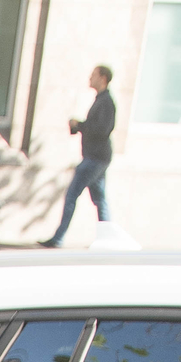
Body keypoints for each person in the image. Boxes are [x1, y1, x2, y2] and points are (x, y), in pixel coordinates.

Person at [42, 65, 116, 248]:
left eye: (94, 75)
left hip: (95, 158)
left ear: (103, 78)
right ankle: (108, 239)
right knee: (100, 200)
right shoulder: (101, 100)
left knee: (72, 195)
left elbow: (102, 130)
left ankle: (59, 238)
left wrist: (80, 125)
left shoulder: (106, 102)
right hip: (95, 157)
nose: (90, 78)